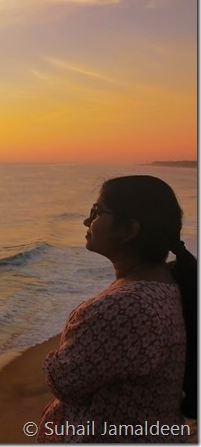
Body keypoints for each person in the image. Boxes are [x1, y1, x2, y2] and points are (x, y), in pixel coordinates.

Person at [37, 175, 197, 443]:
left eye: (97, 212)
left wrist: (57, 353)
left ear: (128, 230)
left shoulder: (124, 307)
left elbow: (63, 381)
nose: (87, 221)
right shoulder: (170, 283)